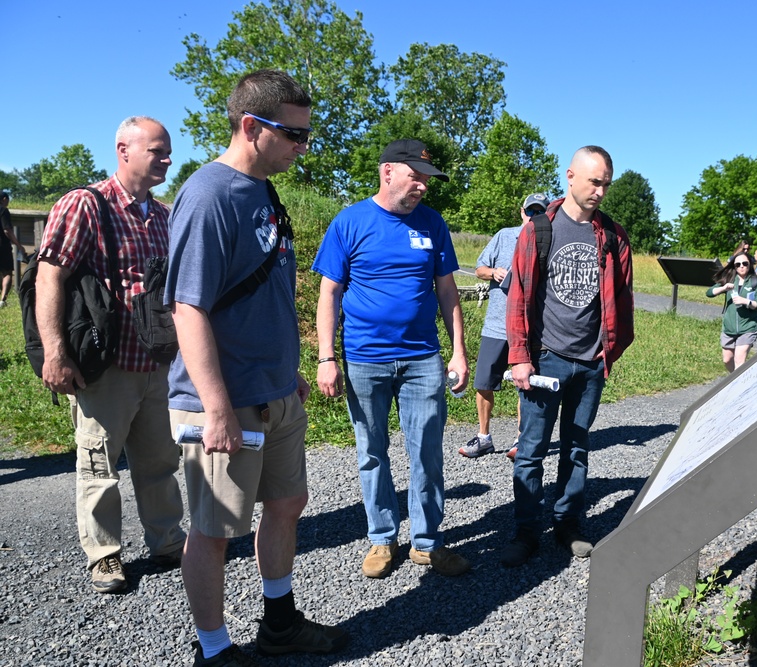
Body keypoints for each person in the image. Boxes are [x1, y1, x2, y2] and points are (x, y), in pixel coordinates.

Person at [165, 70, 348, 666]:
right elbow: (187, 307)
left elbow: (258, 294)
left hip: (275, 391)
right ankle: (214, 650)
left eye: (306, 135)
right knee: (215, 530)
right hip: (225, 401)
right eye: (294, 136)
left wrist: (286, 369)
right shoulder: (209, 195)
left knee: (287, 504)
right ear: (251, 127)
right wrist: (216, 406)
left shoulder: (263, 191)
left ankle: (279, 622)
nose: (303, 147)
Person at [34, 117, 186, 594]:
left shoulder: (163, 215)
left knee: (161, 461)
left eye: (167, 152)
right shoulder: (86, 204)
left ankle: (167, 543)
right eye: (157, 151)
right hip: (106, 367)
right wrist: (55, 352)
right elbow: (49, 277)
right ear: (124, 149)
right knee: (99, 462)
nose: (166, 159)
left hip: (157, 364)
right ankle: (104, 555)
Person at [313, 138, 471, 580]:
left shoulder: (432, 224)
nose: (423, 185)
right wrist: (327, 356)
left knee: (426, 452)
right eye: (415, 175)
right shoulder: (350, 221)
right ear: (388, 172)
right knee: (372, 450)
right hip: (364, 358)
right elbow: (329, 293)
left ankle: (427, 543)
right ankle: (382, 538)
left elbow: (446, 291)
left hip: (422, 358)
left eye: (427, 178)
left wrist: (459, 351)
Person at [500, 146, 634, 568]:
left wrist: (608, 350)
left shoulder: (613, 235)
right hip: (546, 360)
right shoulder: (540, 229)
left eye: (606, 184)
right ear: (571, 176)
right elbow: (519, 295)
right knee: (532, 448)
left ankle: (568, 524)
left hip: (590, 362)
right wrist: (520, 356)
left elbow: (623, 297)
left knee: (576, 447)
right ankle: (525, 531)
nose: (600, 191)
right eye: (594, 181)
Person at [458, 193, 550, 460]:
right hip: (497, 325)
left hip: (530, 327)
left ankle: (522, 440)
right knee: (484, 381)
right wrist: (494, 272)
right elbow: (478, 269)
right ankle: (484, 437)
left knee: (527, 385)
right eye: (530, 212)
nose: (533, 217)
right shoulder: (504, 236)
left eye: (540, 213)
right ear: (522, 212)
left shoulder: (548, 239)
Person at [706, 251, 757, 372]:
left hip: (748, 327)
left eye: (745, 263)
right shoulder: (729, 279)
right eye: (738, 264)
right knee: (727, 360)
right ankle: (739, 380)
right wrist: (723, 288)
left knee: (739, 361)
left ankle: (738, 386)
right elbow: (709, 293)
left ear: (750, 264)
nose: (741, 266)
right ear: (734, 266)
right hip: (729, 328)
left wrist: (745, 301)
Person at [1, 191, 28, 307]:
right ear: (4, 199)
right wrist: (18, 245)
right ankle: (2, 300)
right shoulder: (3, 210)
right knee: (7, 273)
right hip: (2, 246)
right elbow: (7, 230)